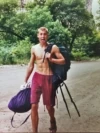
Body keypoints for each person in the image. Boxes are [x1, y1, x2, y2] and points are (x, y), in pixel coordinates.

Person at [24, 27, 65, 133]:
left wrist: (51, 59)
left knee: (49, 107)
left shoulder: (53, 48)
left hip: (48, 78)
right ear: (38, 35)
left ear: (48, 35)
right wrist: (25, 79)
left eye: (45, 34)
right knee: (33, 105)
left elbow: (63, 61)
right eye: (41, 34)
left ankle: (52, 119)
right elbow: (31, 65)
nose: (43, 36)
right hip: (37, 77)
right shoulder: (34, 48)